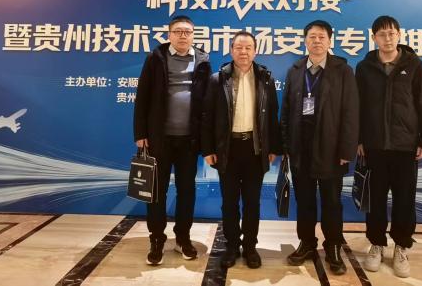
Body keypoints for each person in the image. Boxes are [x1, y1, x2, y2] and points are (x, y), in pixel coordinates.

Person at [356, 15, 422, 278]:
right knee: (375, 201)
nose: (387, 38)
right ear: (374, 38)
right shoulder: (364, 68)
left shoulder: (414, 65)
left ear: (399, 35)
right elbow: (357, 107)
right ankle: (376, 244)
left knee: (404, 200)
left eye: (391, 33)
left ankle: (402, 246)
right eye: (382, 34)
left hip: (405, 147)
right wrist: (358, 139)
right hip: (374, 147)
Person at [281, 20, 359, 275]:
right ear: (305, 41)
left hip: (331, 149)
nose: (316, 41)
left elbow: (351, 112)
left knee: (331, 202)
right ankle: (306, 243)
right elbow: (286, 110)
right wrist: (286, 146)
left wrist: (346, 151)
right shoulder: (295, 70)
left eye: (321, 37)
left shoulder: (342, 71)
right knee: (304, 201)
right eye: (312, 37)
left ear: (329, 41)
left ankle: (333, 245)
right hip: (300, 148)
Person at [133, 15, 211, 265]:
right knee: (157, 191)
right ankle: (157, 239)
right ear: (169, 35)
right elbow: (142, 96)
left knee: (187, 191)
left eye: (187, 31)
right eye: (178, 31)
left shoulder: (202, 60)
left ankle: (182, 238)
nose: (183, 35)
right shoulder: (155, 58)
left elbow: (207, 102)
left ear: (193, 35)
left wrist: (206, 139)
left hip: (189, 141)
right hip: (160, 139)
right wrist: (140, 133)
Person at [201, 31, 281, 269]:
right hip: (228, 148)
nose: (243, 52)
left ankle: (250, 247)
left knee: (252, 202)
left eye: (248, 48)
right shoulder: (217, 79)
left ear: (255, 51)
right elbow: (207, 117)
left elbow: (273, 115)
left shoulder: (265, 78)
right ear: (231, 50)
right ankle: (232, 246)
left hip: (255, 149)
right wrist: (208, 149)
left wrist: (273, 147)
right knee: (229, 202)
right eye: (238, 47)